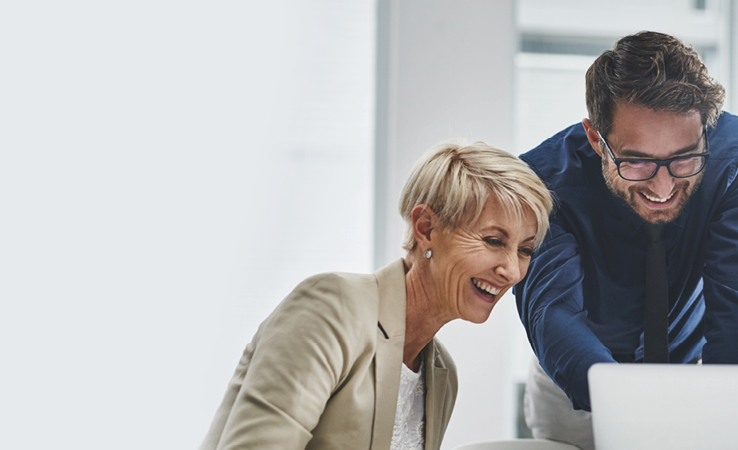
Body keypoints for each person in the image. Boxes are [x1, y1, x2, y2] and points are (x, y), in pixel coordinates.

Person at [512, 31, 738, 450]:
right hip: (577, 393)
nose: (663, 185)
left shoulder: (737, 153)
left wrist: (725, 412)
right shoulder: (540, 180)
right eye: (637, 162)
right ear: (596, 138)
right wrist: (633, 408)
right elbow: (553, 312)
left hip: (695, 380)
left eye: (684, 157)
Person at [201, 140, 553, 450]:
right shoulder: (333, 308)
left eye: (524, 250)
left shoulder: (441, 373)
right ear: (425, 228)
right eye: (494, 241)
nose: (512, 270)